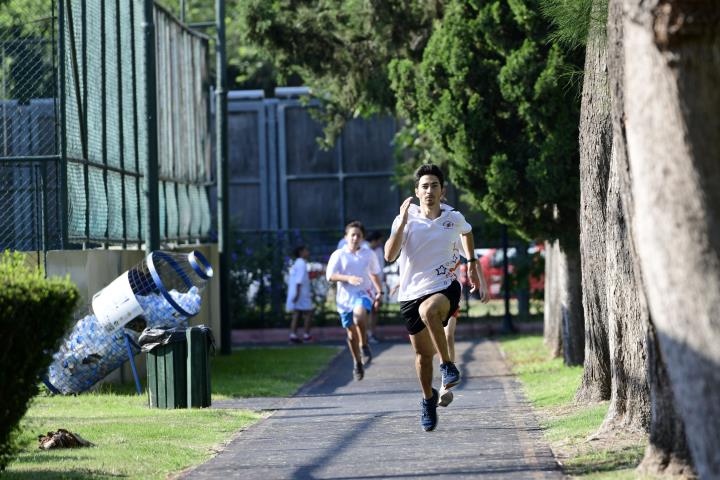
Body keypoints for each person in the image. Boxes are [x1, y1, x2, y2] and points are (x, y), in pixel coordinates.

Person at [384, 164, 489, 431]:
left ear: (442, 191)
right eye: (424, 186)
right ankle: (428, 399)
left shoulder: (453, 217)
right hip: (410, 292)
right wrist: (402, 225)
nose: (429, 190)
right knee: (421, 356)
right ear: (416, 191)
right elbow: (388, 255)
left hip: (445, 286)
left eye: (434, 185)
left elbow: (466, 231)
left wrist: (472, 262)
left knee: (429, 311)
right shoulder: (405, 218)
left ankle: (448, 366)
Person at [326, 221, 383, 380]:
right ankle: (357, 362)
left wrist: (380, 291)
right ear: (346, 237)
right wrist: (348, 278)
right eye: (352, 235)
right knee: (351, 335)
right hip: (344, 300)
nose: (355, 238)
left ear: (363, 237)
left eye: (358, 235)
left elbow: (374, 274)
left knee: (359, 316)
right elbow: (330, 276)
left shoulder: (368, 254)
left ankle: (364, 343)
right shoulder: (338, 255)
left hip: (363, 293)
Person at [286, 245, 314, 343]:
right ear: (301, 252)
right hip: (301, 293)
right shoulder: (301, 263)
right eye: (306, 250)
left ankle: (293, 335)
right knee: (308, 313)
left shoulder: (297, 263)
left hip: (299, 292)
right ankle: (306, 335)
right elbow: (299, 280)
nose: (308, 252)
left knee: (297, 313)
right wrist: (297, 294)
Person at [366, 231, 386, 344]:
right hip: (367, 286)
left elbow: (380, 268)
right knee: (367, 311)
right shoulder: (364, 250)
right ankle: (365, 335)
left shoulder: (379, 250)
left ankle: (371, 334)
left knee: (375, 310)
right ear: (375, 240)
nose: (381, 243)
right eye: (380, 240)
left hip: (377, 286)